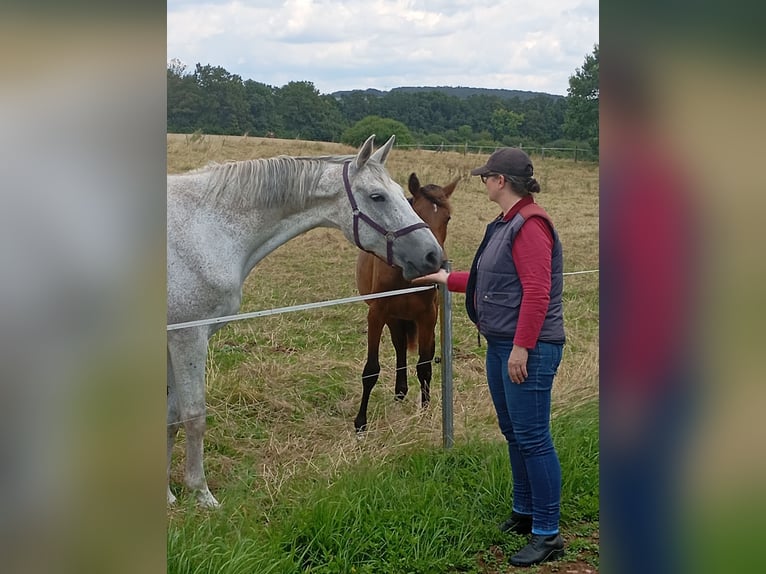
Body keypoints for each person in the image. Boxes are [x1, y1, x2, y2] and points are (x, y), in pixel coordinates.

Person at [416, 148, 566, 567]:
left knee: (534, 437)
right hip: (503, 344)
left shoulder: (530, 225)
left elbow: (537, 291)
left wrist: (522, 346)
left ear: (500, 181)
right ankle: (525, 511)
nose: (483, 182)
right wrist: (449, 278)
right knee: (514, 431)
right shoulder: (506, 224)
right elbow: (493, 280)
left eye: (486, 177)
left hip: (527, 349)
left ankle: (547, 532)